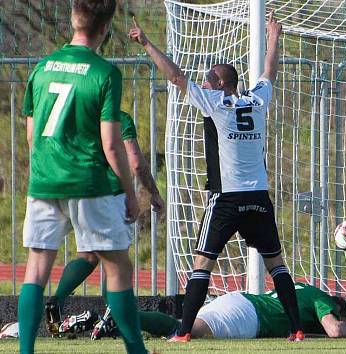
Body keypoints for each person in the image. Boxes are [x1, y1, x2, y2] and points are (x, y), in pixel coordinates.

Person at [128, 13, 304, 342]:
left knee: (202, 264)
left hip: (226, 197)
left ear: (220, 83)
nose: (204, 84)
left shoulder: (215, 102)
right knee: (277, 265)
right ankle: (296, 330)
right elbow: (269, 71)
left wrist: (147, 43)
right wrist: (273, 37)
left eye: (208, 80)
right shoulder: (257, 100)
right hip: (258, 197)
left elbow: (176, 77)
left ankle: (183, 333)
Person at [19, 1, 148, 353]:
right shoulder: (104, 73)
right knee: (117, 264)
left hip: (44, 181)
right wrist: (129, 192)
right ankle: (136, 350)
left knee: (36, 268)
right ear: (105, 28)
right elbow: (110, 143)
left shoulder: (42, 68)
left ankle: (26, 350)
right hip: (89, 183)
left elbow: (31, 135)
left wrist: (46, 169)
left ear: (74, 20)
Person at [44, 111, 165, 334]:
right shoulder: (120, 118)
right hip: (111, 195)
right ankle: (113, 317)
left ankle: (56, 301)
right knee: (116, 262)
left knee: (88, 255)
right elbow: (136, 163)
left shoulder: (77, 115)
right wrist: (153, 192)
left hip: (79, 191)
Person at [91, 282, 346, 340]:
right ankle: (120, 313)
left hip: (242, 302)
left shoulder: (303, 290)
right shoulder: (321, 299)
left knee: (181, 326)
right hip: (249, 316)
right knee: (184, 332)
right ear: (336, 307)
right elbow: (335, 330)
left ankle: (117, 318)